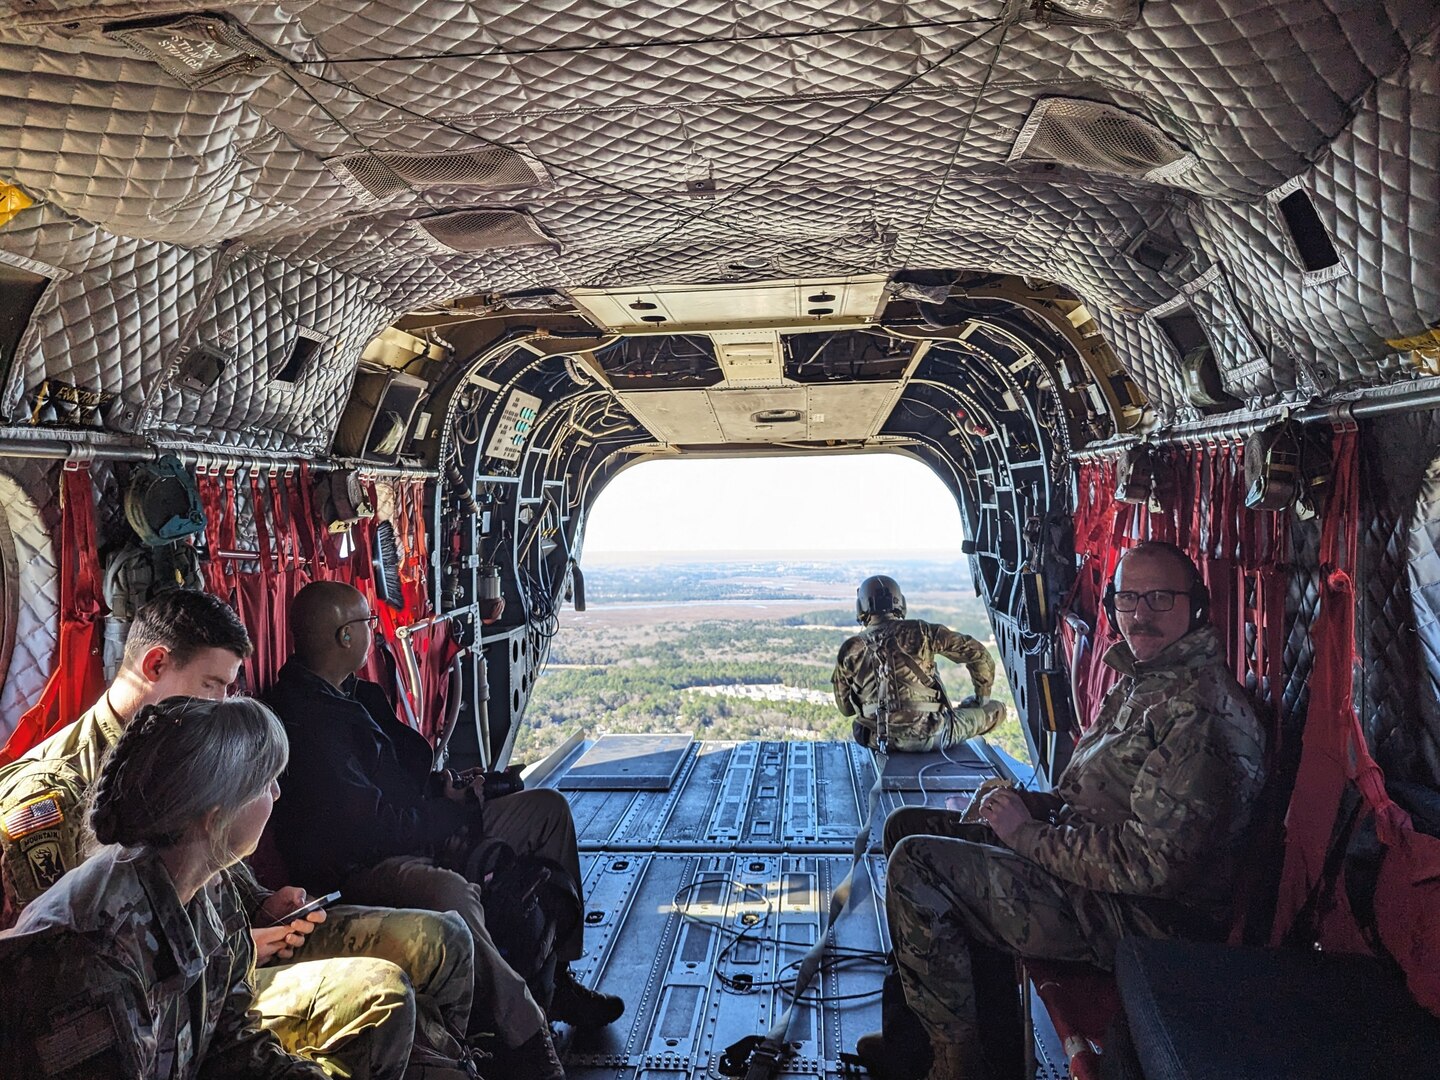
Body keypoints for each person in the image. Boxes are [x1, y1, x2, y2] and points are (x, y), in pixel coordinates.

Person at [0, 589, 474, 1078]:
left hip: (215, 969)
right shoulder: (52, 802)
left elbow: (232, 1033)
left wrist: (263, 906)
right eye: (212, 685)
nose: (221, 706)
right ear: (157, 664)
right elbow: (61, 965)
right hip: (155, 997)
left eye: (229, 689)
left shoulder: (193, 791)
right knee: (383, 992)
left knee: (439, 939)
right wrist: (241, 942)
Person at [858, 543, 1268, 1079]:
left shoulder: (1199, 715)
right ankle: (919, 1037)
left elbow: (1154, 866)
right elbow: (1096, 801)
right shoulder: (1148, 681)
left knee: (918, 866)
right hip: (1089, 878)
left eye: (1161, 598)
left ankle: (958, 1063)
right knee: (906, 825)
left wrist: (1026, 834)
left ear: (1196, 606)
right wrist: (1032, 806)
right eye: (1128, 598)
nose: (1140, 614)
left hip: (1136, 918)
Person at [266, 581, 626, 1080]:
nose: (374, 633)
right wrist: (453, 818)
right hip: (362, 867)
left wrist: (453, 792)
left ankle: (558, 976)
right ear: (345, 636)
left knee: (546, 811)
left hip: (420, 825)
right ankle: (524, 1034)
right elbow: (370, 828)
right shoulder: (304, 721)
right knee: (451, 893)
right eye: (368, 624)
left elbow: (402, 780)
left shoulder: (357, 695)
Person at [0, 696, 329, 1077]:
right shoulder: (93, 953)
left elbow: (232, 1046)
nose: (276, 794)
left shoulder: (209, 889)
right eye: (265, 782)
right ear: (215, 816)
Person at [832, 574, 1005, 751]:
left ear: (861, 607)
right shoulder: (923, 632)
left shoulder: (850, 648)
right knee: (997, 709)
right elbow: (978, 654)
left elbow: (846, 709)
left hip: (877, 739)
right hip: (933, 735)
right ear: (899, 603)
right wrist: (981, 697)